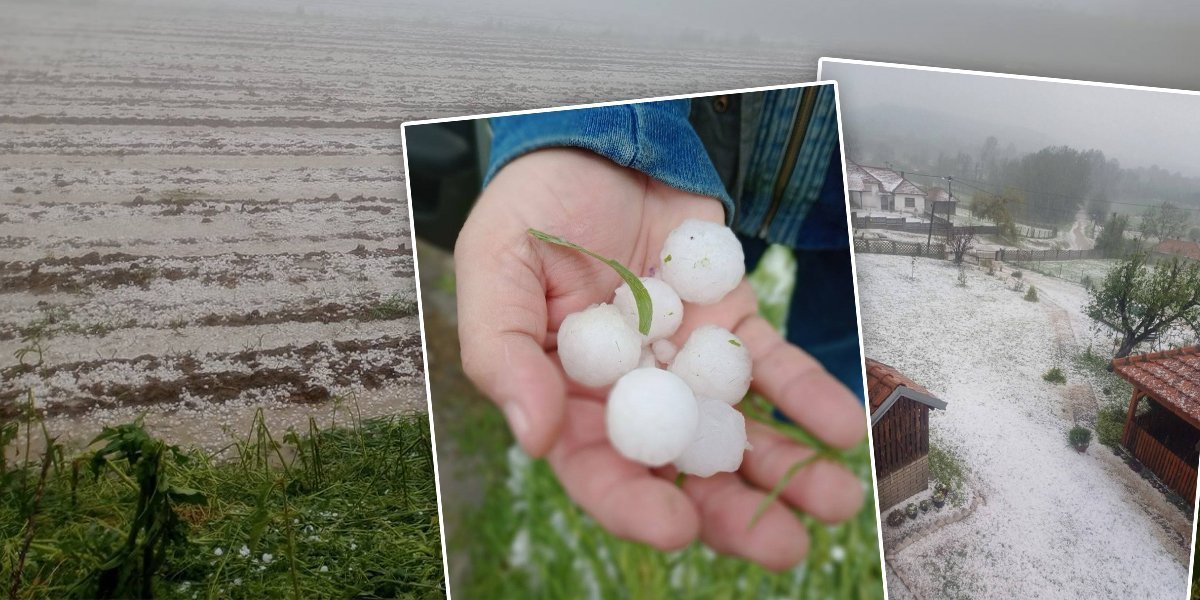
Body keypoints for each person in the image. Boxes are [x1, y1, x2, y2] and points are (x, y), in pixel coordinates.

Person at [453, 85, 867, 571]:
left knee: (839, 337)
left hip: (844, 217)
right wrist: (579, 131)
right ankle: (796, 432)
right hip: (699, 167)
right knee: (817, 341)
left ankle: (805, 427)